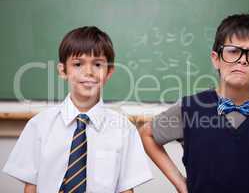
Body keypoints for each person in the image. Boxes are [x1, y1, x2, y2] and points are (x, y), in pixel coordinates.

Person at [139, 14, 249, 193]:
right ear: (216, 58)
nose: (242, 60)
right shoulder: (190, 108)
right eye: (233, 51)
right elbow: (147, 134)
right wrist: (180, 184)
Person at [3, 26, 152, 193]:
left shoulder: (124, 130)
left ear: (109, 72)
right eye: (78, 64)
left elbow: (126, 190)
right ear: (62, 71)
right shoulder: (39, 125)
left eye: (97, 64)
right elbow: (31, 187)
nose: (88, 72)